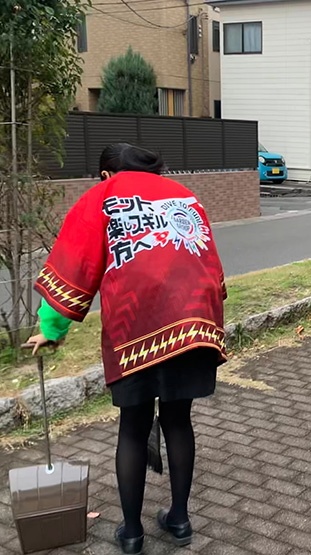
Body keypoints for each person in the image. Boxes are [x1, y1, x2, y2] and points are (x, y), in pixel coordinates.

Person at [27, 143, 227, 554]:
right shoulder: (184, 195)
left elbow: (75, 262)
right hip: (193, 322)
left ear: (104, 174)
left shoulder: (103, 196)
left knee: (133, 429)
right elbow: (209, 264)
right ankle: (180, 520)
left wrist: (52, 328)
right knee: (178, 422)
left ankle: (132, 533)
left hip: (135, 326)